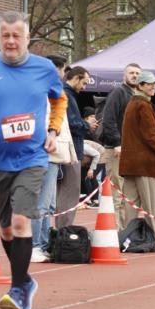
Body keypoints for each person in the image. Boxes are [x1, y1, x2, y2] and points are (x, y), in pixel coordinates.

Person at [0, 10, 67, 309]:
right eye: (5, 36)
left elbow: (59, 100)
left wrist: (53, 130)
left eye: (16, 36)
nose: (10, 41)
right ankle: (24, 281)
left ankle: (17, 290)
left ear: (27, 38)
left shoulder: (44, 68)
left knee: (21, 222)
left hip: (32, 158)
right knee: (6, 230)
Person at [30, 56, 77, 262]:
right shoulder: (43, 93)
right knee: (41, 203)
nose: (64, 74)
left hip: (54, 153)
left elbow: (60, 124)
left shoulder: (54, 92)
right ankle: (35, 245)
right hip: (46, 153)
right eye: (63, 69)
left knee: (48, 205)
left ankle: (43, 243)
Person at [118, 71, 155, 237]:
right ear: (140, 85)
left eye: (154, 83)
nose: (154, 86)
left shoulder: (132, 104)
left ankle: (126, 238)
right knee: (152, 207)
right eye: (149, 83)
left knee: (130, 206)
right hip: (146, 165)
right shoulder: (143, 105)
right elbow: (151, 136)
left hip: (131, 164)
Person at [99, 62, 141, 230]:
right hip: (116, 149)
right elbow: (108, 119)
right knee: (116, 192)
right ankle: (115, 231)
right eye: (131, 72)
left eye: (138, 73)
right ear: (124, 75)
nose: (135, 76)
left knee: (126, 194)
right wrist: (117, 143)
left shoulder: (136, 95)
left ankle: (124, 231)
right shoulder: (118, 92)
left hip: (131, 150)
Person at [58, 67, 98, 226]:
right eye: (84, 83)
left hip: (69, 149)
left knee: (65, 193)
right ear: (75, 78)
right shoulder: (67, 95)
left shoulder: (66, 94)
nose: (85, 87)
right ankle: (64, 230)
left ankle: (62, 229)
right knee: (69, 193)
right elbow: (72, 123)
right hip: (71, 150)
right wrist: (86, 125)